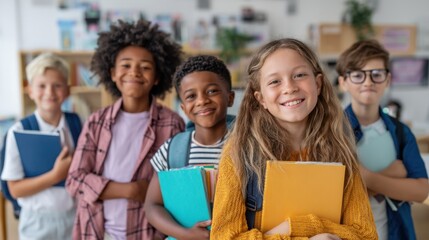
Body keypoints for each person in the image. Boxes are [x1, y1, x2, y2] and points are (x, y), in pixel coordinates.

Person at [210, 38, 378, 239]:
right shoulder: (238, 156)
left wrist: (297, 227)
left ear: (318, 84)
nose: (289, 87)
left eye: (299, 75)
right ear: (261, 98)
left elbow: (367, 235)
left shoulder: (340, 152)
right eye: (274, 81)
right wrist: (305, 229)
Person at [66, 19, 185, 240]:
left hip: (147, 233)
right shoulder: (96, 122)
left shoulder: (172, 124)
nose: (135, 72)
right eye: (126, 65)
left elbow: (176, 188)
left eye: (146, 67)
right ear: (112, 73)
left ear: (158, 77)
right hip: (97, 231)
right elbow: (74, 180)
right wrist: (131, 190)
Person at [337, 39, 429, 240]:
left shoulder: (400, 131)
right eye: (358, 75)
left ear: (387, 80)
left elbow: (422, 190)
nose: (368, 82)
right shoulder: (332, 132)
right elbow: (334, 196)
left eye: (376, 74)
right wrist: (394, 172)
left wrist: (365, 178)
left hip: (394, 232)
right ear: (343, 82)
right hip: (348, 234)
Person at [145, 55, 235, 240]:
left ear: (230, 97)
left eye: (211, 91)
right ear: (184, 109)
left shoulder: (248, 146)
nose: (202, 101)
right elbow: (152, 206)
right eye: (191, 96)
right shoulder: (172, 150)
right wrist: (186, 234)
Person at [1, 53, 79, 240]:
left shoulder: (76, 123)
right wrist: (56, 175)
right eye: (42, 86)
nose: (49, 92)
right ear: (30, 91)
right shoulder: (18, 131)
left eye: (57, 85)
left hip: (74, 217)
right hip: (37, 223)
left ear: (67, 91)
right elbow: (14, 189)